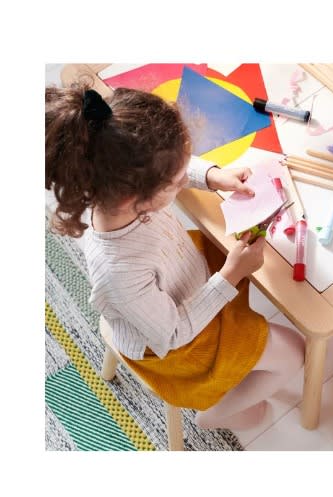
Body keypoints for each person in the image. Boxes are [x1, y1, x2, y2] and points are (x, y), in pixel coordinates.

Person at [45, 84, 305, 430]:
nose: (184, 178)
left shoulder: (113, 183)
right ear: (138, 196)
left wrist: (212, 176)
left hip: (182, 278)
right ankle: (216, 415)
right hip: (179, 345)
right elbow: (173, 335)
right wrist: (231, 274)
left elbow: (164, 163)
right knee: (295, 351)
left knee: (236, 257)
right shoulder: (118, 272)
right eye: (179, 179)